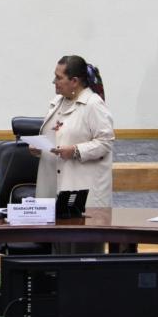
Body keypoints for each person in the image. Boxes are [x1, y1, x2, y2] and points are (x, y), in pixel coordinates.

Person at [30, 55, 115, 208]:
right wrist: (39, 148)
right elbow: (55, 136)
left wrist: (75, 150)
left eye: (58, 78)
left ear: (74, 81)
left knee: (80, 231)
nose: (54, 82)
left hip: (82, 192)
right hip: (52, 188)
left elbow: (105, 143)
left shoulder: (93, 104)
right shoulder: (57, 102)